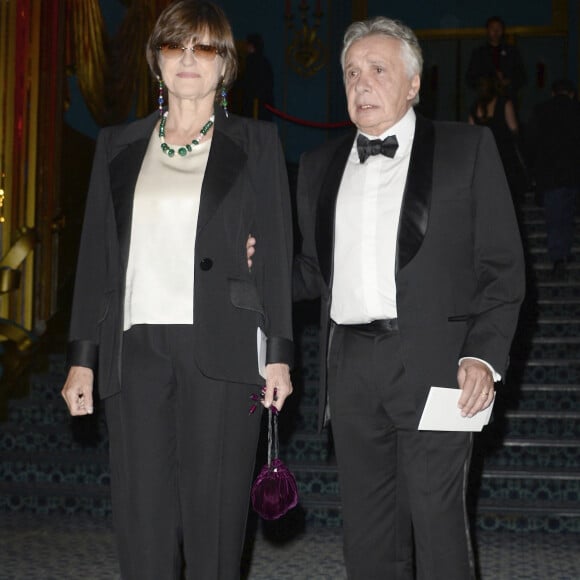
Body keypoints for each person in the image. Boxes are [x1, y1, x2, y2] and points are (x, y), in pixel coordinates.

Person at [60, 2, 294, 578]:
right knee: (142, 521)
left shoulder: (258, 144)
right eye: (175, 46)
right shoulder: (117, 145)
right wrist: (81, 360)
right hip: (134, 349)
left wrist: (281, 356)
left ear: (225, 66)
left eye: (205, 47)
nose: (189, 58)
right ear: (156, 60)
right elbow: (94, 258)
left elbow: (278, 255)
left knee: (214, 525)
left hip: (223, 346)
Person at [288, 16, 524, 580]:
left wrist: (483, 355)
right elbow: (311, 274)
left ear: (414, 84)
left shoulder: (468, 148)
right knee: (368, 537)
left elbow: (503, 268)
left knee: (438, 527)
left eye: (377, 70)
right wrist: (248, 265)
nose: (361, 84)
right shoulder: (318, 167)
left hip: (439, 363)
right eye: (351, 73)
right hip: (349, 365)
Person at [526, 78, 580, 274]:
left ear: (553, 92)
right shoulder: (575, 110)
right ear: (571, 93)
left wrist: (532, 171)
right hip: (573, 170)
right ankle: (563, 251)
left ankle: (558, 255)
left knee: (554, 216)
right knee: (567, 213)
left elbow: (531, 142)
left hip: (550, 172)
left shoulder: (541, 110)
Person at [468, 76, 529, 199]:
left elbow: (471, 133)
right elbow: (514, 128)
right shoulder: (504, 103)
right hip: (504, 155)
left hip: (483, 156)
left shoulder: (475, 107)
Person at [466, 16, 526, 103]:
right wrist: (488, 82)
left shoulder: (512, 52)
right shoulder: (479, 53)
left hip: (507, 97)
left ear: (503, 30)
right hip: (486, 99)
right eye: (492, 28)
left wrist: (508, 81)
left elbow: (522, 76)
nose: (496, 31)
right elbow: (470, 78)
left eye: (499, 28)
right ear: (487, 30)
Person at [241, 33, 274, 121]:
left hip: (254, 105)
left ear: (251, 45)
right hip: (264, 106)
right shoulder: (265, 61)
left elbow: (250, 83)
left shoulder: (251, 61)